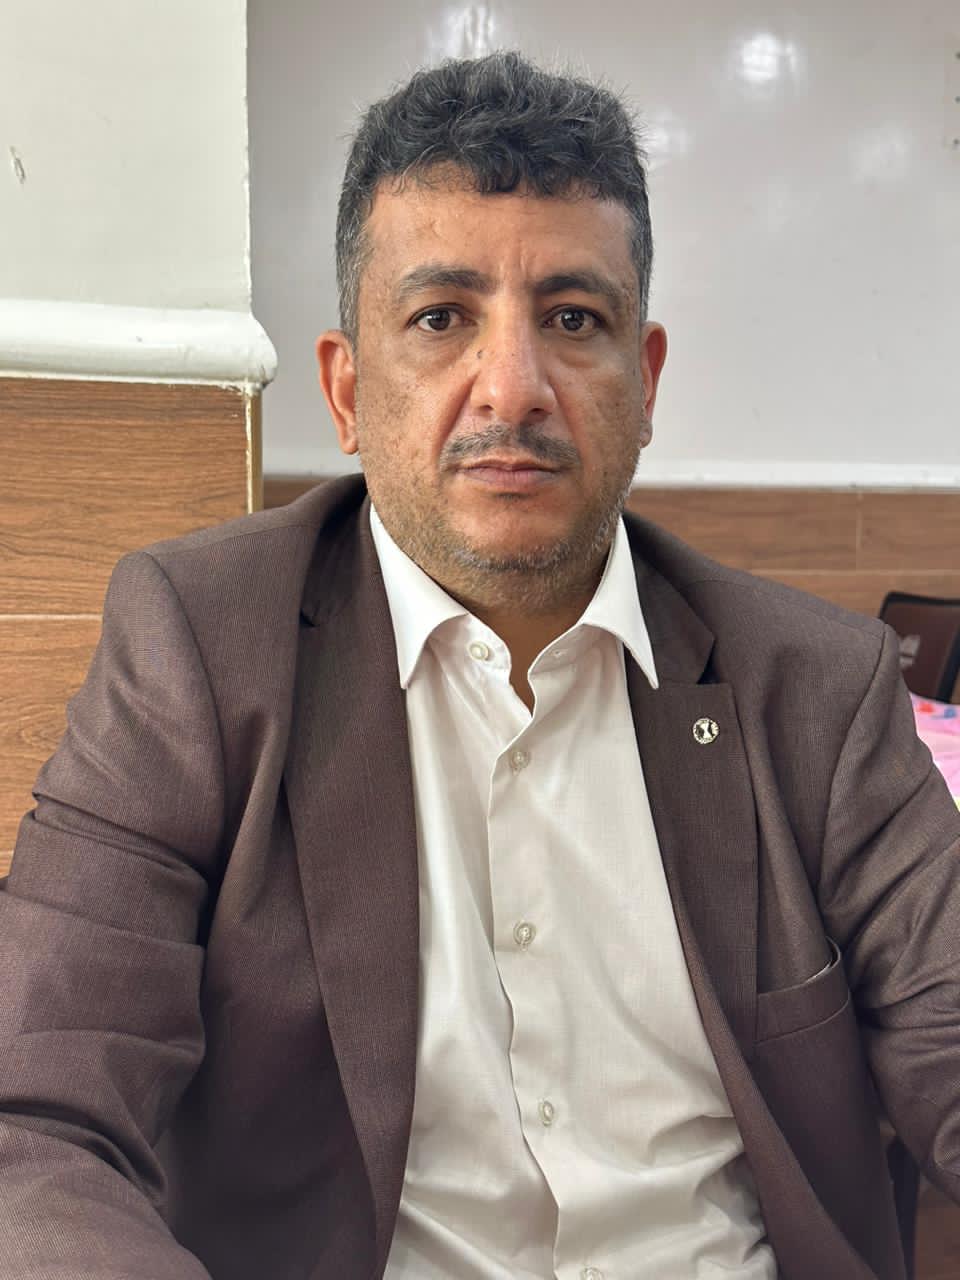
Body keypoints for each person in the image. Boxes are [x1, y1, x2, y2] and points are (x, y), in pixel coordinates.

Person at [0, 50, 957, 1280]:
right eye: (442, 318)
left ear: (644, 381)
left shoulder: (814, 686)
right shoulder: (201, 646)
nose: (512, 388)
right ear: (347, 390)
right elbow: (37, 1114)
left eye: (573, 318)